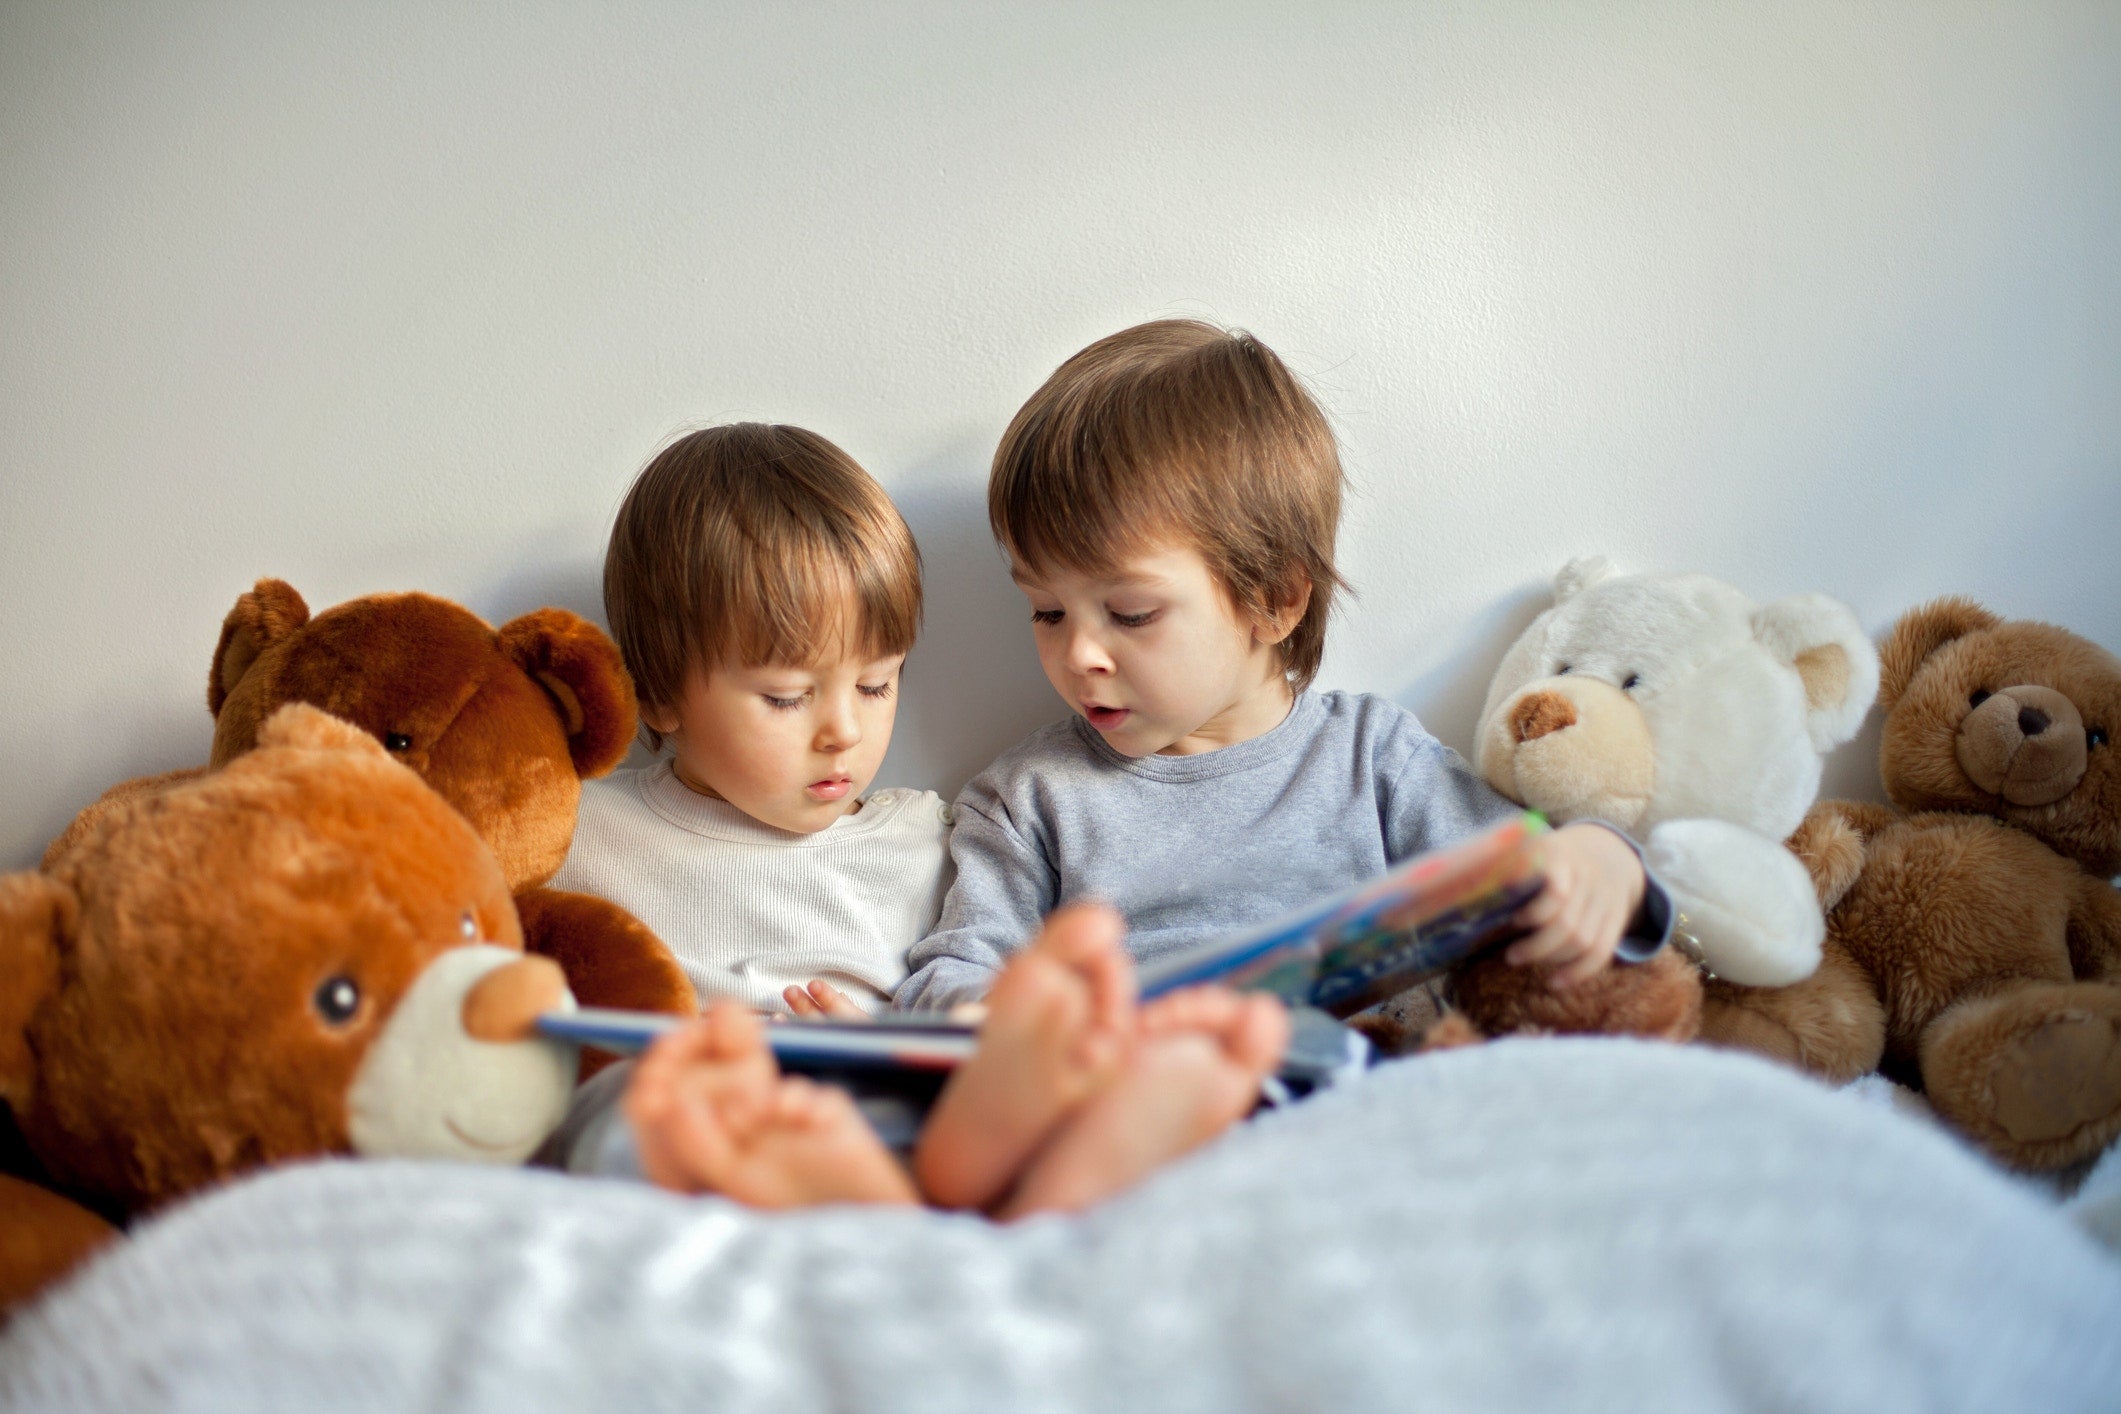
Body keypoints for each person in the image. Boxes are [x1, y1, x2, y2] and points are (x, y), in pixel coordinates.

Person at [545, 422, 1289, 1216]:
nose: (844, 732)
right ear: (659, 694)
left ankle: (1033, 1169)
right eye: (787, 698)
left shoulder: (927, 841)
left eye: (876, 686)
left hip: (861, 1110)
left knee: (944, 1106)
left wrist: (882, 1049)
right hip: (677, 1105)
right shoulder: (574, 829)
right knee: (623, 1113)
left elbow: (957, 999)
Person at [890, 320, 1670, 1016]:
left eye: (1129, 613)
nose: (1077, 655)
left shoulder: (1372, 761)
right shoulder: (1029, 800)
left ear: (1272, 600)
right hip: (1148, 1099)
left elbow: (1525, 874)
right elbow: (953, 974)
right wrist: (994, 1016)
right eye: (1046, 611)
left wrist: (1603, 857)